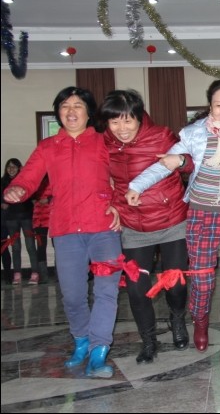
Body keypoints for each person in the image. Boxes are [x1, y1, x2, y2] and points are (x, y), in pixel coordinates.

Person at [125, 78, 220, 365]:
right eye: (218, 105)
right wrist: (136, 185)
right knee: (203, 282)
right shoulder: (194, 133)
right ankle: (200, 322)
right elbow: (166, 163)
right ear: (210, 106)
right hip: (203, 215)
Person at [3, 86, 123, 378]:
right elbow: (28, 178)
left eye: (78, 105)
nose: (71, 111)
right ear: (58, 112)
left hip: (104, 228)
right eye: (65, 105)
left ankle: (99, 351)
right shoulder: (48, 146)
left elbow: (124, 176)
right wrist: (17, 189)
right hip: (66, 230)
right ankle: (81, 341)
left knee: (106, 291)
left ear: (89, 112)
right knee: (72, 294)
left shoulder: (104, 141)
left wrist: (119, 205)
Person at [99, 89, 193, 364]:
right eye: (114, 121)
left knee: (175, 285)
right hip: (133, 227)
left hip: (172, 221)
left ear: (139, 118)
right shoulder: (103, 144)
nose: (122, 128)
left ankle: (177, 319)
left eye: (128, 120)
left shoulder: (161, 136)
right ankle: (149, 340)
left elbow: (191, 163)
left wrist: (181, 161)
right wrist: (111, 204)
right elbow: (101, 181)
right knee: (137, 289)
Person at [1, 158, 39, 285]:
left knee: (30, 246)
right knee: (15, 247)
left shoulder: (25, 181)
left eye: (14, 166)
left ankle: (35, 273)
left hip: (26, 217)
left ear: (19, 168)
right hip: (11, 219)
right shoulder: (3, 182)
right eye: (9, 166)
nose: (11, 169)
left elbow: (33, 196)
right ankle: (17, 274)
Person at [31, 176, 51, 284]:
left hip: (53, 216)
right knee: (41, 247)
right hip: (39, 218)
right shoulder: (36, 179)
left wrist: (49, 199)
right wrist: (32, 198)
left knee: (58, 246)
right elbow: (30, 194)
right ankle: (43, 276)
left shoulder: (53, 176)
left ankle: (60, 274)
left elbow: (61, 193)